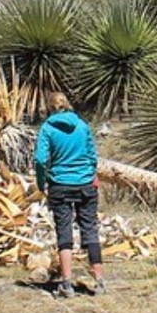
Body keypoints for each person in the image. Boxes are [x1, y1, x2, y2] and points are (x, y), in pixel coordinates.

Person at [34, 92, 105, 298]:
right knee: (90, 229)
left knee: (64, 232)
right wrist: (91, 174)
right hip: (85, 184)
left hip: (60, 184)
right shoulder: (82, 125)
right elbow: (92, 155)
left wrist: (41, 181)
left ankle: (67, 283)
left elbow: (40, 159)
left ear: (50, 107)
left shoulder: (47, 128)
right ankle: (100, 282)